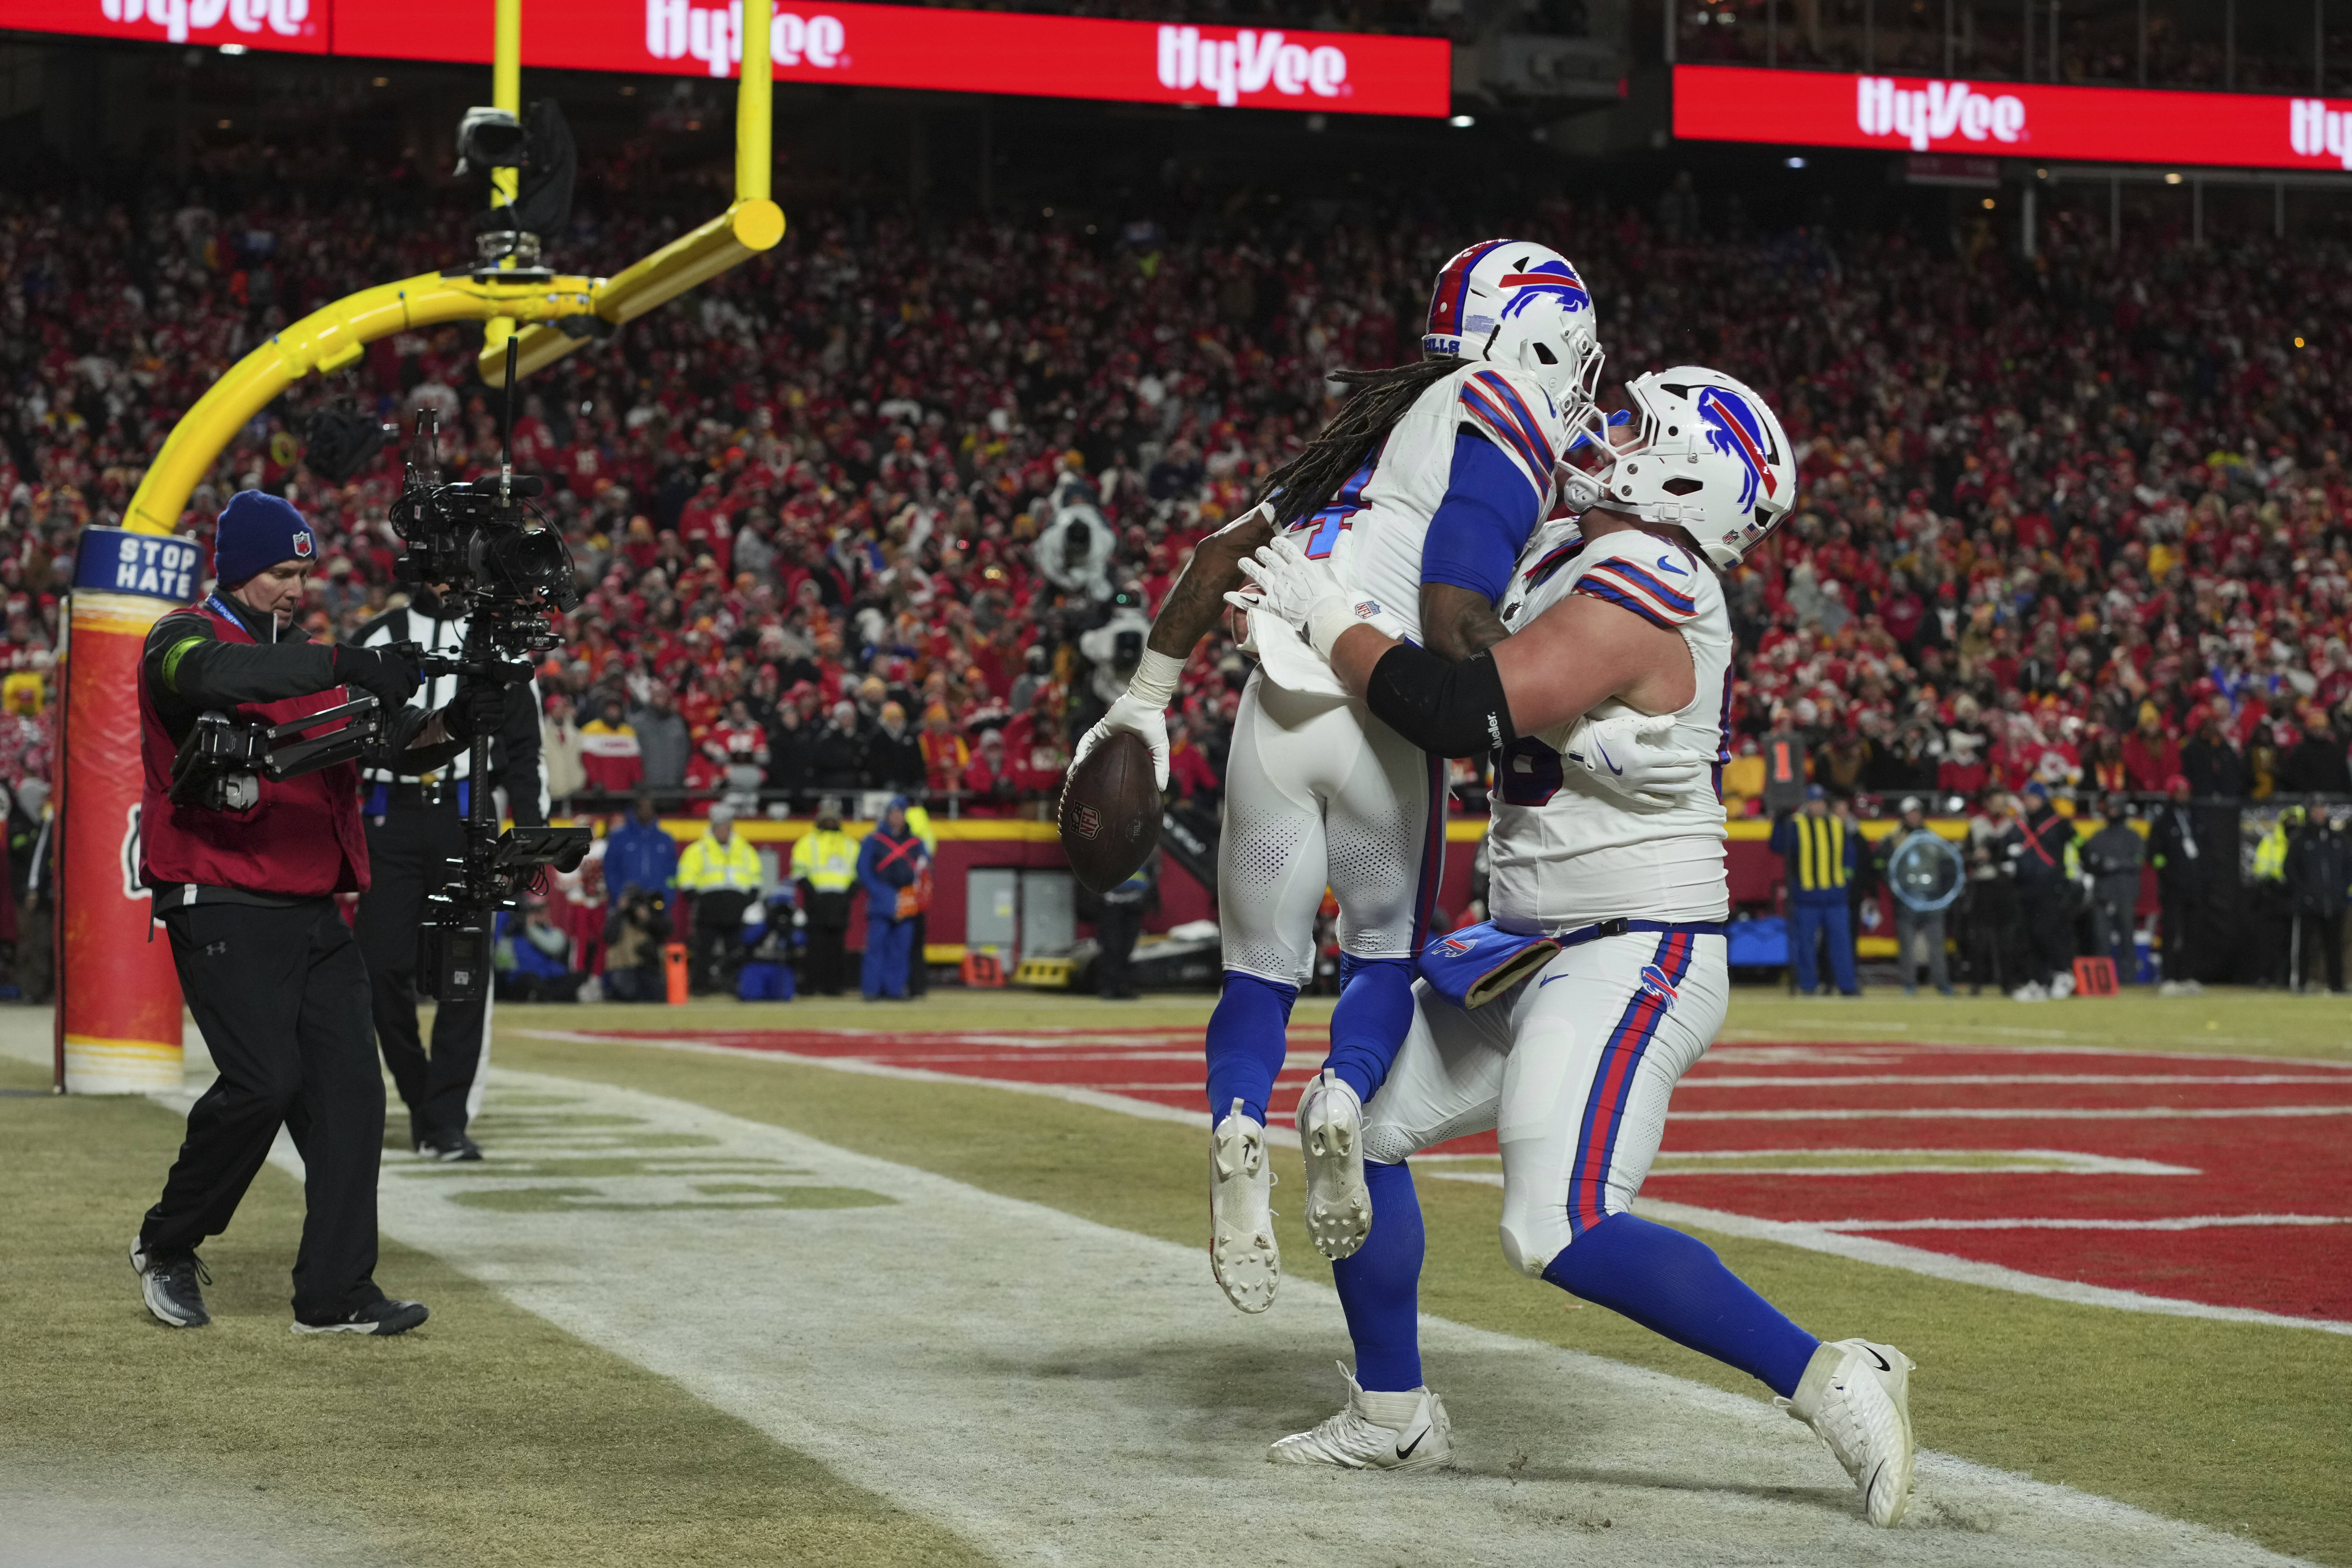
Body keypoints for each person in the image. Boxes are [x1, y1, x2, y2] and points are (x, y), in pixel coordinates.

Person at [1237, 368, 1918, 1530]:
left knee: (1555, 1221)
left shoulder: (1650, 571)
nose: (1606, 434)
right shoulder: (1567, 545)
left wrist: (1327, 619)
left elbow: (1455, 710)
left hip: (1633, 937)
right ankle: (1392, 1417)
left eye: (1639, 429)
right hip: (1531, 934)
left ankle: (1832, 1374)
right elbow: (1487, 660)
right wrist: (1588, 738)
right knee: (1356, 1131)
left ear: (1685, 479)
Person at [1077, 239, 1607, 1311]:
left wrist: (1144, 696)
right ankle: (1340, 1090)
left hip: (1274, 705)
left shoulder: (1357, 436)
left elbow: (1219, 552)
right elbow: (1474, 599)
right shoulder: (1512, 409)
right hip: (1381, 705)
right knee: (1380, 958)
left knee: (1256, 973)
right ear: (1537, 333)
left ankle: (1236, 1121)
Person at [130, 490, 441, 1336]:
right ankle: (167, 1242)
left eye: (303, 573)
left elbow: (383, 749)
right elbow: (213, 678)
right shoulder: (180, 637)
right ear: (236, 570)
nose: (293, 589)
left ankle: (334, 1293)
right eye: (279, 573)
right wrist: (347, 663)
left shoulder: (298, 660)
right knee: (264, 1082)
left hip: (312, 908)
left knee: (350, 1098)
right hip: (222, 894)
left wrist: (455, 717)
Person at [348, 583, 548, 1162]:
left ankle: (446, 1119)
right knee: (380, 967)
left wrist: (529, 834)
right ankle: (424, 1100)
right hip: (391, 814)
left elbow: (525, 749)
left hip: (469, 808)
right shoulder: (378, 638)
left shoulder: (500, 648)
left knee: (464, 970)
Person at [1771, 787, 1860, 997]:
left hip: (1835, 898)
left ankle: (1847, 986)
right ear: (1807, 804)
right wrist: (1778, 821)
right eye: (1813, 802)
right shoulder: (1796, 826)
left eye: (1820, 802)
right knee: (1805, 947)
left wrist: (1845, 882)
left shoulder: (1837, 825)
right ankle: (1808, 986)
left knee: (1842, 946)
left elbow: (1850, 856)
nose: (1817, 806)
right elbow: (1777, 846)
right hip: (1806, 899)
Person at [678, 801, 763, 994]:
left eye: (726, 828)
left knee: (736, 950)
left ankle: (735, 985)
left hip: (736, 908)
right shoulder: (698, 850)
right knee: (703, 950)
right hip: (709, 907)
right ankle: (700, 986)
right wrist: (696, 901)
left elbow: (756, 877)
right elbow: (686, 877)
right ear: (713, 828)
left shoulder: (745, 849)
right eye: (720, 828)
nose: (723, 832)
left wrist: (748, 902)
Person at [2005, 781, 2079, 1002]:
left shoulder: (2057, 824)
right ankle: (2039, 980)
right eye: (2026, 797)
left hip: (2051, 886)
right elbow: (2005, 846)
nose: (2028, 801)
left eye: (2032, 797)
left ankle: (2062, 973)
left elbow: (2077, 845)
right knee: (2030, 937)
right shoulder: (2020, 824)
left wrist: (2075, 874)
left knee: (2048, 933)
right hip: (2026, 887)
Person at [1879, 796, 1959, 995]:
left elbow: (1947, 865)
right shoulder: (1892, 839)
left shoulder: (1932, 838)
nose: (1913, 817)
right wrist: (1894, 886)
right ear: (1903, 816)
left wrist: (1943, 892)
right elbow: (1879, 864)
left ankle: (1942, 983)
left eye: (1916, 813)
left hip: (1932, 898)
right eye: (1909, 814)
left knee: (1936, 944)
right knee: (1907, 946)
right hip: (1906, 900)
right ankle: (1909, 984)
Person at [855, 796, 925, 1000]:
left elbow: (925, 871)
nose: (896, 817)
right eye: (892, 813)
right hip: (881, 899)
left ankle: (895, 989)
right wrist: (883, 894)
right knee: (876, 948)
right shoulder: (874, 840)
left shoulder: (915, 843)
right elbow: (863, 870)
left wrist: (914, 894)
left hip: (908, 900)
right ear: (887, 816)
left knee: (900, 950)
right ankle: (871, 990)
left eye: (900, 813)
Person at [791, 798, 858, 994]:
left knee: (837, 947)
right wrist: (812, 895)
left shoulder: (850, 844)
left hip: (840, 901)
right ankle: (811, 985)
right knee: (814, 945)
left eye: (833, 817)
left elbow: (858, 874)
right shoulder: (807, 843)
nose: (830, 821)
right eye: (826, 817)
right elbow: (799, 872)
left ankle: (834, 986)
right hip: (815, 900)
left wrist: (847, 897)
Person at [2285, 800, 2352, 994]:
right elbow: (2290, 870)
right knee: (2304, 946)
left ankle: (2337, 985)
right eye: (2316, 809)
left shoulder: (2338, 839)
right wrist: (2305, 893)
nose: (2320, 813)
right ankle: (2300, 984)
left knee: (2334, 946)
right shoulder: (2301, 839)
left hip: (2334, 903)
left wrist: (2341, 892)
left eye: (2323, 808)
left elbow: (2348, 868)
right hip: (2308, 903)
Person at [2147, 775, 2207, 988]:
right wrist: (2168, 874)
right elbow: (2154, 854)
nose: (2183, 796)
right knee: (2171, 933)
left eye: (2186, 791)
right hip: (2172, 888)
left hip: (2194, 886)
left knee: (2193, 933)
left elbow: (2204, 850)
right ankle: (2169, 977)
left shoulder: (2195, 818)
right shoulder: (2163, 820)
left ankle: (2187, 976)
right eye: (2179, 792)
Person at [2078, 794, 2146, 982]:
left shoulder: (2133, 836)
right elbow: (2088, 861)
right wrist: (2101, 865)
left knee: (2127, 937)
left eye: (2116, 807)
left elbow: (2139, 861)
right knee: (2102, 939)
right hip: (2103, 894)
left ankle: (2129, 979)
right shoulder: (2098, 837)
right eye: (2110, 807)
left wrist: (2116, 865)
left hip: (2125, 893)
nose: (2113, 810)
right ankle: (2103, 981)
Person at [1093, 850, 1158, 1000]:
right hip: (1112, 905)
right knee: (1112, 947)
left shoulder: (1147, 844)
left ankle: (1124, 987)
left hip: (1134, 905)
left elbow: (1153, 872)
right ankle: (1111, 987)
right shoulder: (1107, 846)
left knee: (1127, 948)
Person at [604, 790, 680, 915]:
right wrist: (618, 896)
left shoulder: (665, 840)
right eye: (643, 807)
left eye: (650, 807)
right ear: (635, 810)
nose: (647, 811)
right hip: (626, 903)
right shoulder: (619, 838)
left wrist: (668, 896)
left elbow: (672, 873)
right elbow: (611, 870)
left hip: (657, 903)